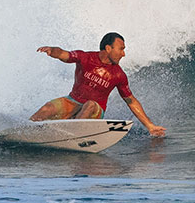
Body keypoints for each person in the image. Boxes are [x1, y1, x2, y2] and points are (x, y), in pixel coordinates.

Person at [30, 32, 167, 137]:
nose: (123, 54)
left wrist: (150, 126)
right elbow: (63, 54)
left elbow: (131, 101)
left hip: (95, 110)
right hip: (73, 101)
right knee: (48, 108)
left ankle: (72, 135)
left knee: (89, 104)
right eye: (121, 49)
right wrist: (51, 50)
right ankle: (25, 131)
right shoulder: (85, 58)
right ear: (108, 48)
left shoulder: (118, 75)